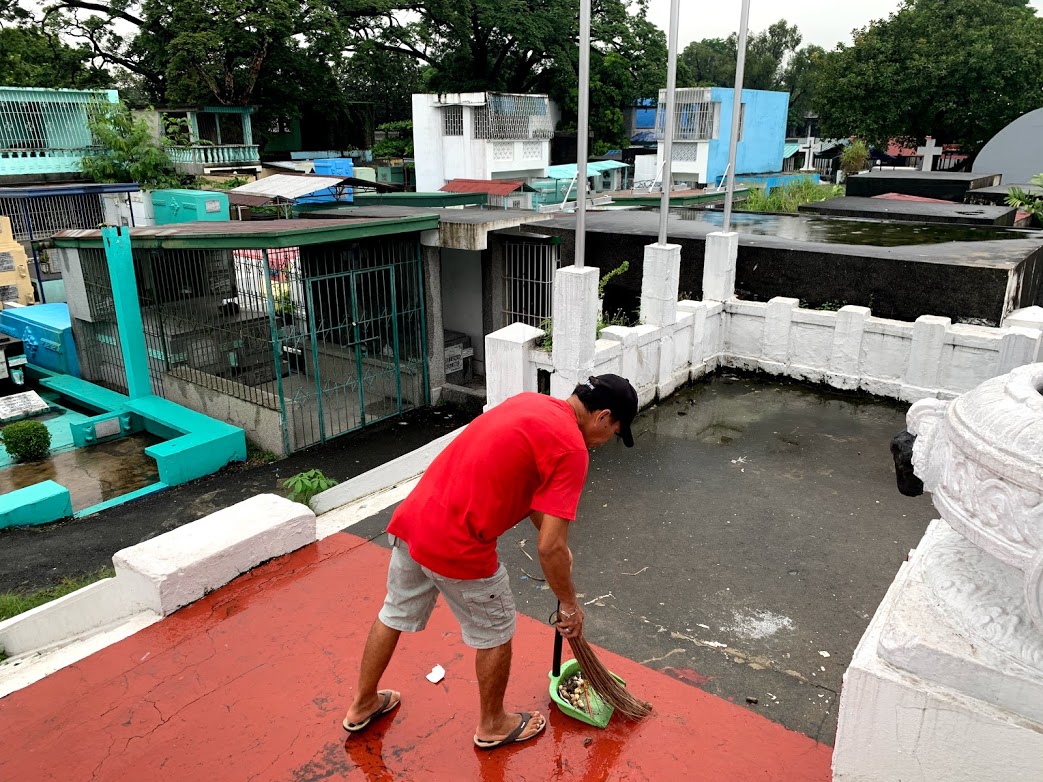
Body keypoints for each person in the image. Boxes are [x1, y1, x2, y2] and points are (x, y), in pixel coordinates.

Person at [342, 374, 638, 749]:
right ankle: (493, 724)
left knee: (393, 612)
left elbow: (532, 498)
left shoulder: (532, 403)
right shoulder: (572, 450)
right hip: (459, 544)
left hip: (414, 520)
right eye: (614, 432)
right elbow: (548, 548)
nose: (606, 441)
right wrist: (569, 603)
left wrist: (557, 546)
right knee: (496, 631)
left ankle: (363, 703)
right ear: (604, 417)